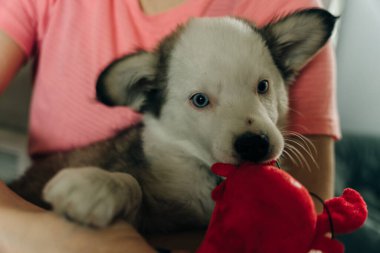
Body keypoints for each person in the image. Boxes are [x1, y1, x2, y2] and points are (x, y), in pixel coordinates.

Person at [0, 0, 340, 252]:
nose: (251, 128)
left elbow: (308, 225)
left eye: (262, 88)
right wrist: (47, 235)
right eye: (201, 101)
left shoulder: (284, 5)